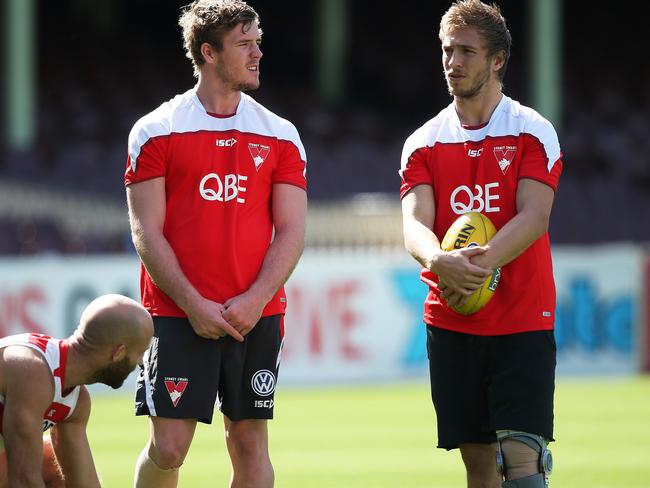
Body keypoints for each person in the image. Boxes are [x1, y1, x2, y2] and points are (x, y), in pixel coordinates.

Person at [124, 1, 307, 486]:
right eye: (244, 44)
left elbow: (292, 230)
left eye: (257, 41)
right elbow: (146, 230)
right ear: (208, 52)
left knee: (248, 444)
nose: (258, 52)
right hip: (175, 312)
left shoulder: (281, 135)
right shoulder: (156, 130)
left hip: (255, 314)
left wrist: (256, 298)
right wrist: (191, 303)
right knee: (169, 447)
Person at [399, 1, 562, 487]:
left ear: (497, 60)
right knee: (479, 466)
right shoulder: (422, 142)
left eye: (467, 51)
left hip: (522, 318)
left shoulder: (533, 131)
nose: (453, 62)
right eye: (448, 50)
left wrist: (475, 266)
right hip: (453, 320)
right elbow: (413, 225)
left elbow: (534, 217)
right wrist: (437, 260)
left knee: (521, 461)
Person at [0, 294, 154, 488]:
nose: (140, 362)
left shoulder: (76, 400)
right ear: (118, 353)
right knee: (43, 461)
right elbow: (23, 480)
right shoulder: (32, 372)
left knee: (49, 462)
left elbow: (85, 483)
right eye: (139, 353)